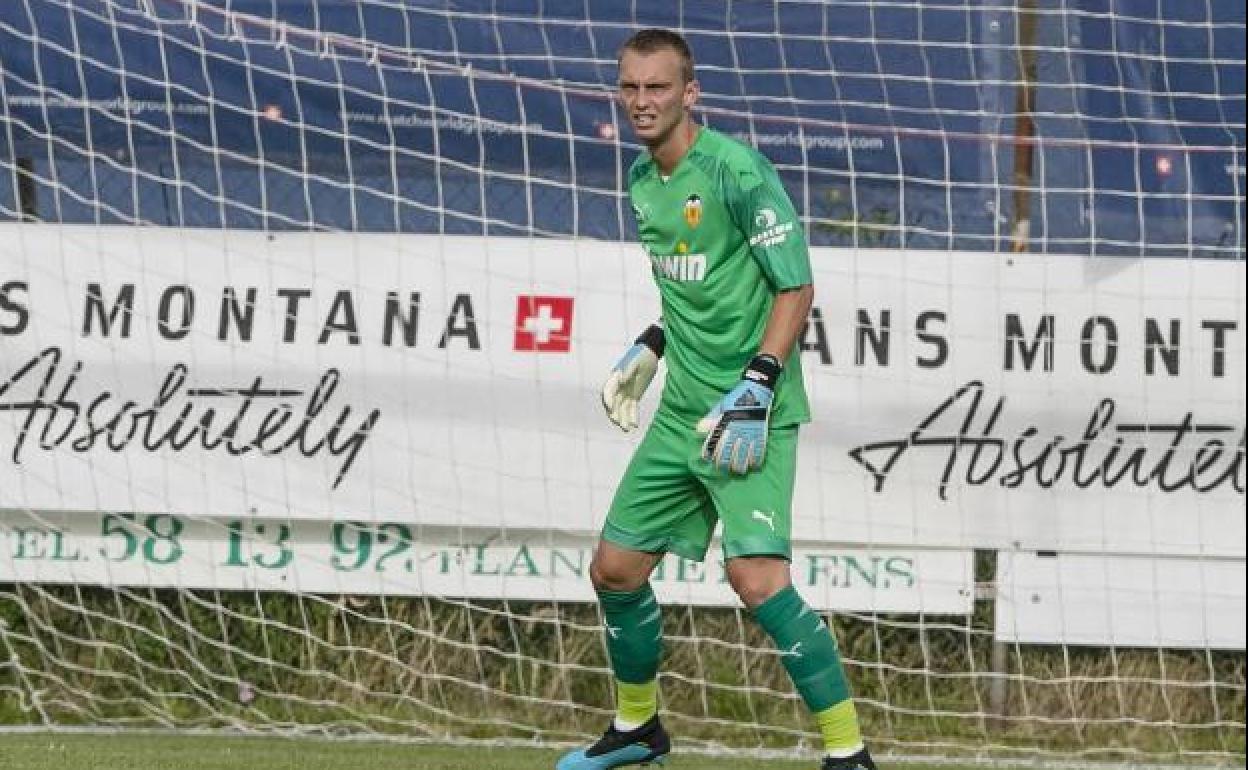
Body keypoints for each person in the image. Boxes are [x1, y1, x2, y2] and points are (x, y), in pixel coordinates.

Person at [555, 28, 877, 770]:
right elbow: (696, 290)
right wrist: (653, 345)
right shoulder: (641, 178)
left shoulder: (738, 172)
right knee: (614, 569)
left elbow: (795, 285)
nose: (642, 101)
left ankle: (848, 753)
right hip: (679, 411)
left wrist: (759, 381)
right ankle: (638, 731)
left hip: (748, 412)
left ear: (689, 93)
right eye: (630, 87)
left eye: (658, 87)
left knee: (756, 580)